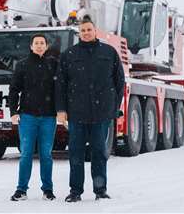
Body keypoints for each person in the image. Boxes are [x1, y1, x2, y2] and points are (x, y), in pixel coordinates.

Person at [55, 16, 125, 202]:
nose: (86, 33)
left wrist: (113, 108)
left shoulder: (109, 53)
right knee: (75, 154)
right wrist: (61, 110)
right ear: (79, 33)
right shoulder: (69, 54)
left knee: (99, 153)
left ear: (95, 31)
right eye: (83, 30)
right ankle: (75, 191)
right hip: (76, 114)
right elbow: (61, 84)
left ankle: (100, 190)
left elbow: (120, 83)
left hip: (102, 114)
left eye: (89, 29)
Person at [8, 34, 58, 201]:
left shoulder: (53, 65)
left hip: (48, 117)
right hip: (27, 116)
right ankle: (21, 190)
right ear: (31, 46)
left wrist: (62, 111)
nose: (39, 45)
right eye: (36, 43)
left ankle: (48, 190)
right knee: (26, 154)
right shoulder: (22, 65)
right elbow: (14, 90)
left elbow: (60, 89)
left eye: (42, 43)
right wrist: (13, 112)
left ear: (46, 46)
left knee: (46, 154)